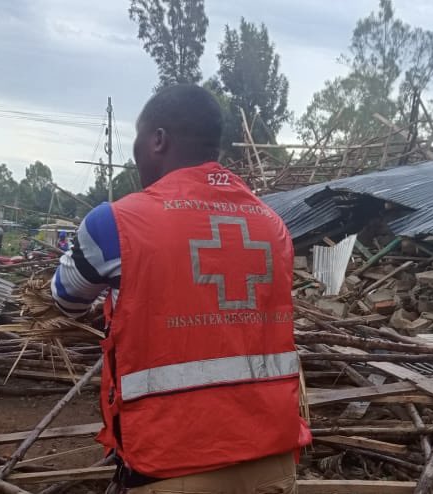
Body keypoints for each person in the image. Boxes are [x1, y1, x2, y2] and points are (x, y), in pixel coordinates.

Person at [51, 84, 307, 493]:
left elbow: (65, 299)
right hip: (271, 461)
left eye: (137, 138)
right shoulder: (272, 225)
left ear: (157, 139)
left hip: (172, 465)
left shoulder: (115, 223)